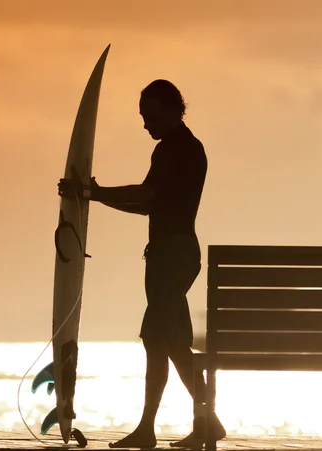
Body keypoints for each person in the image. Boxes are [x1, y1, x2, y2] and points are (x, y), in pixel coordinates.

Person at [57, 79, 226, 448]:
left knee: (155, 338)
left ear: (170, 110)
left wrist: (93, 193)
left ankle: (147, 429)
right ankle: (207, 422)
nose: (145, 123)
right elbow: (148, 202)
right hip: (174, 253)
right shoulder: (183, 147)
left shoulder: (175, 151)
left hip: (173, 256)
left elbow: (146, 197)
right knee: (176, 345)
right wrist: (96, 195)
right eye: (142, 116)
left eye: (150, 115)